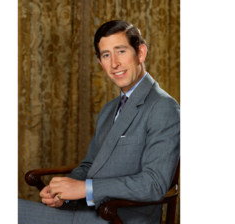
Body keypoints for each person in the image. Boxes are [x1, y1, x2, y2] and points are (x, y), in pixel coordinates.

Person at [16, 20, 182, 224]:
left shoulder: (164, 107)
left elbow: (154, 184)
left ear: (140, 53)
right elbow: (89, 165)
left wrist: (85, 189)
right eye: (106, 55)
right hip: (83, 211)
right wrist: (61, 193)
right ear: (100, 62)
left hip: (116, 217)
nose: (114, 63)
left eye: (121, 51)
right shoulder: (109, 108)